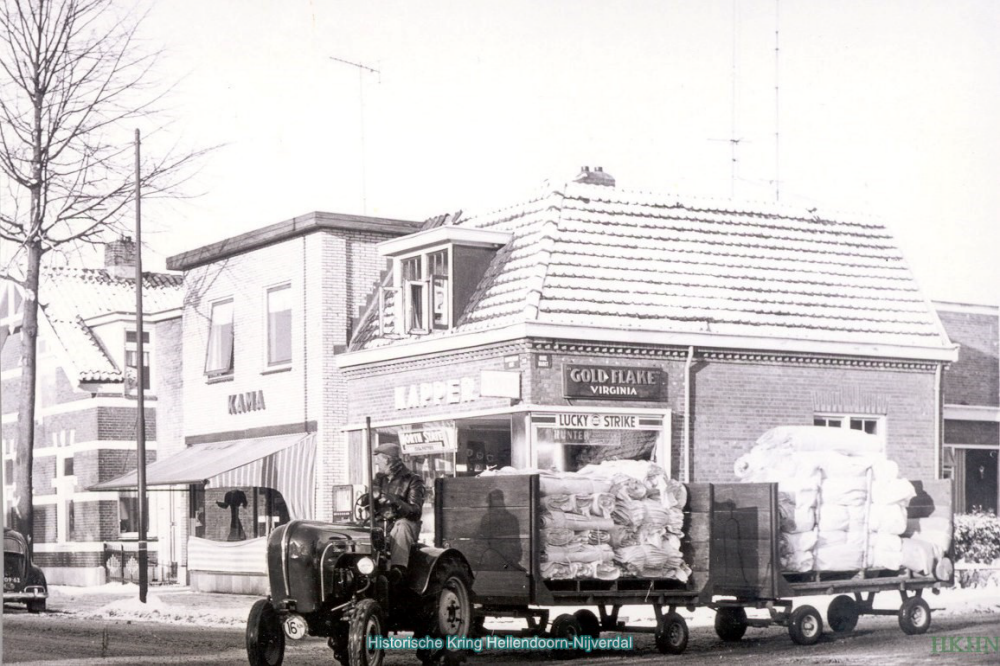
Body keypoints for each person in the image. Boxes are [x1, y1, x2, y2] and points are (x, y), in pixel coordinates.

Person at [371, 442, 426, 581]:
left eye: (379, 461)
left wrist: (395, 500)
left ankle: (398, 571)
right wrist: (369, 498)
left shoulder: (412, 479)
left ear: (388, 460)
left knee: (401, 526)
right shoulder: (379, 479)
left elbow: (415, 511)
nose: (377, 464)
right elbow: (370, 504)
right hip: (381, 524)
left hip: (404, 525)